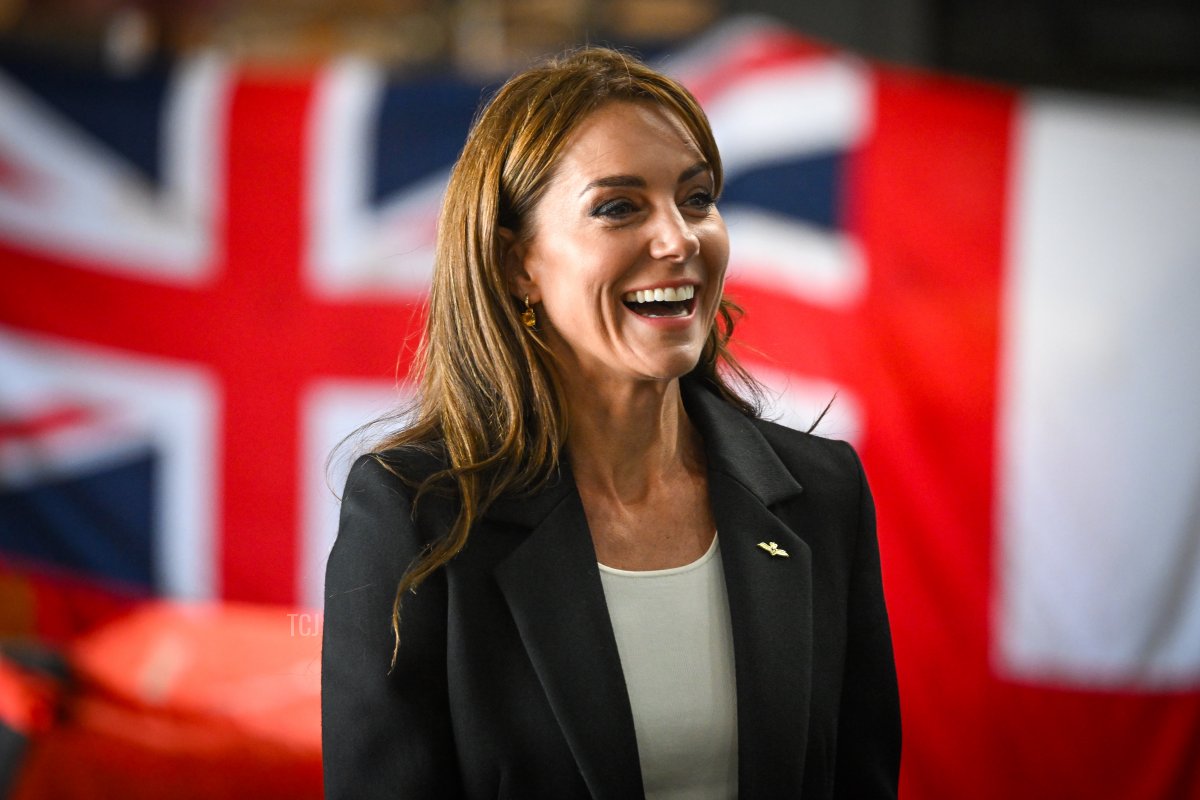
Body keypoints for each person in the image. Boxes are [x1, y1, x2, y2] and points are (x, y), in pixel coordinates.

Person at [321, 46, 900, 799]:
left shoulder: (824, 494)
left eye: (696, 198)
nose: (679, 239)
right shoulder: (416, 512)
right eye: (619, 207)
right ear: (514, 264)